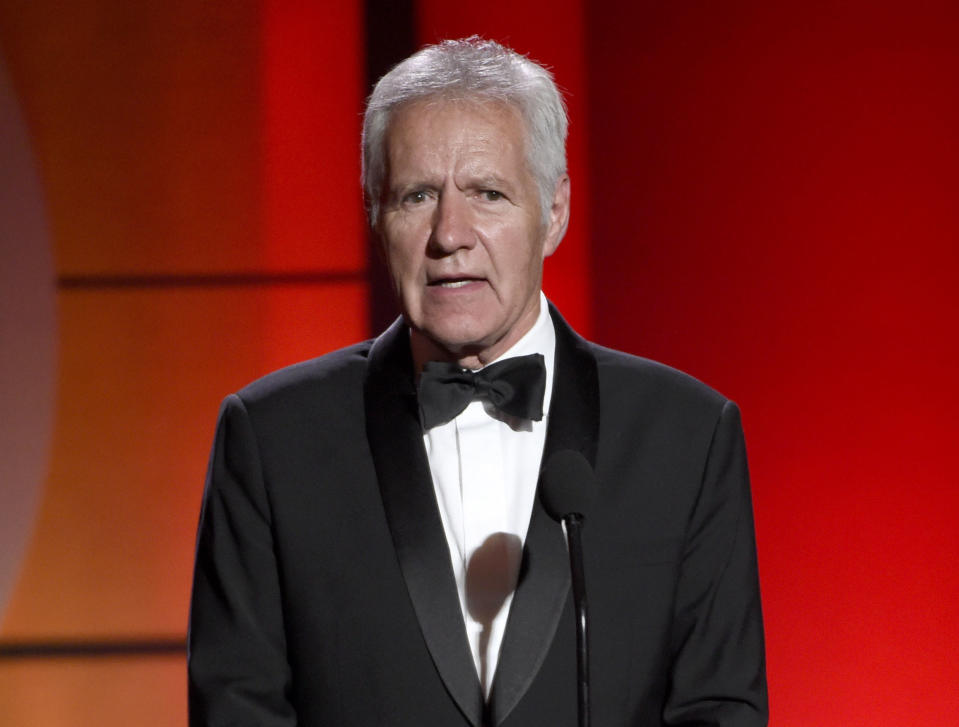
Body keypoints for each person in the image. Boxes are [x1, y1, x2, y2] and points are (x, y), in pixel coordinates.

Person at [188, 37, 768, 727]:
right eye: (417, 196)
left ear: (553, 213)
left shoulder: (685, 435)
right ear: (376, 214)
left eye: (487, 194)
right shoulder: (273, 439)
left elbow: (718, 708)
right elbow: (236, 708)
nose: (449, 234)